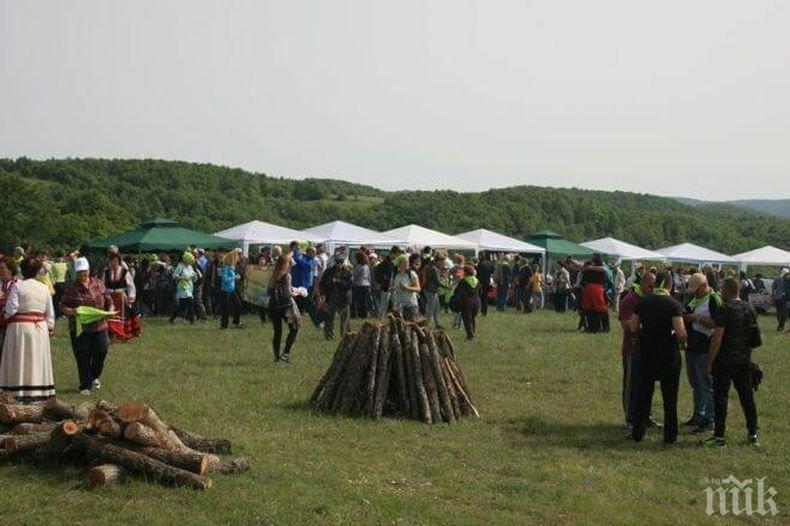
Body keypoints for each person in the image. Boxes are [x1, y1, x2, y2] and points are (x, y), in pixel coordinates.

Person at [629, 271, 687, 444]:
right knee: (670, 398)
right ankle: (670, 436)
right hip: (668, 356)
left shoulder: (643, 302)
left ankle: (638, 432)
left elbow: (633, 326)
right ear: (670, 285)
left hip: (646, 354)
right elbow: (681, 333)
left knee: (643, 395)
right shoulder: (674, 304)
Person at [705, 278, 761, 447]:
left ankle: (719, 436)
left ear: (727, 290)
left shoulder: (724, 309)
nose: (720, 292)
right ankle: (753, 433)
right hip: (743, 359)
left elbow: (718, 337)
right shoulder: (749, 307)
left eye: (722, 289)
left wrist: (710, 361)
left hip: (724, 360)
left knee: (720, 398)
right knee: (747, 397)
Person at [0, 260, 56, 401]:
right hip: (39, 329)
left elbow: (11, 310)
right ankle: (38, 391)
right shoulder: (44, 288)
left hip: (20, 328)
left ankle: (17, 391)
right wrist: (49, 328)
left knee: (20, 360)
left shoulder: (18, 286)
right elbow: (50, 314)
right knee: (36, 360)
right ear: (37, 271)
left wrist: (4, 316)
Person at [60, 257, 113, 395]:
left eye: (84, 271)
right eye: (79, 272)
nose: (82, 275)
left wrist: (110, 310)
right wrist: (71, 312)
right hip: (79, 327)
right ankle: (85, 385)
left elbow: (108, 299)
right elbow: (62, 305)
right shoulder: (71, 287)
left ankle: (93, 376)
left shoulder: (99, 283)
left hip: (99, 325)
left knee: (101, 351)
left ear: (89, 270)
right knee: (82, 356)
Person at [682, 273, 721, 433]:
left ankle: (709, 419)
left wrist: (697, 319)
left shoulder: (714, 299)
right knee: (696, 384)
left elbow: (718, 324)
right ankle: (697, 416)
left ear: (704, 286)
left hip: (705, 348)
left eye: (696, 290)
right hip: (692, 346)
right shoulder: (694, 298)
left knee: (706, 385)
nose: (693, 293)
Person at [619, 273, 655, 427]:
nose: (653, 289)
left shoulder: (651, 300)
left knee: (647, 385)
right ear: (643, 284)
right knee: (631, 385)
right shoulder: (630, 300)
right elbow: (626, 326)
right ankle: (631, 417)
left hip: (649, 349)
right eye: (651, 286)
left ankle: (646, 416)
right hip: (632, 349)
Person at [267, 254, 301, 363]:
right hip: (285, 307)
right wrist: (296, 293)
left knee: (277, 332)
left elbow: (268, 291)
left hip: (273, 306)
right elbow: (287, 293)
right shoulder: (287, 276)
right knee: (294, 328)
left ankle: (276, 356)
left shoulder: (273, 275)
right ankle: (285, 354)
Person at [320, 254, 352, 340]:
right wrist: (322, 294)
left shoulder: (347, 271)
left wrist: (338, 281)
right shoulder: (329, 271)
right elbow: (322, 283)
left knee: (345, 320)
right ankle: (328, 336)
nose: (339, 264)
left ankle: (345, 336)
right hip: (331, 297)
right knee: (329, 317)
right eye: (337, 262)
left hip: (344, 299)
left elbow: (349, 285)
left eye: (340, 262)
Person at [451, 265, 481, 340]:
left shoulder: (463, 281)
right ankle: (473, 333)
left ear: (466, 272)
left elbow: (457, 292)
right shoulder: (477, 280)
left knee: (467, 319)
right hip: (477, 301)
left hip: (467, 302)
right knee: (473, 318)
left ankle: (470, 336)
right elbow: (480, 291)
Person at [170, 252, 197, 324]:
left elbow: (193, 276)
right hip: (182, 289)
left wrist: (195, 277)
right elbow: (174, 276)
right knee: (189, 304)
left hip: (189, 288)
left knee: (182, 306)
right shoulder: (180, 266)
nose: (190, 263)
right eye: (190, 261)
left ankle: (173, 318)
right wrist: (183, 278)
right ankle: (192, 320)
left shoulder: (190, 267)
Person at [391, 254, 421, 321]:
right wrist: (392, 289)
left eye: (407, 262)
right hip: (398, 304)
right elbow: (391, 287)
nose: (407, 264)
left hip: (411, 304)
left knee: (412, 325)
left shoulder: (412, 274)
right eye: (404, 262)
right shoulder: (394, 275)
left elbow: (418, 289)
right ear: (399, 264)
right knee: (400, 326)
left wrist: (407, 288)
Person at [218, 250, 243, 329]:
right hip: (225, 290)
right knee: (226, 308)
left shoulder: (232, 267)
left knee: (238, 304)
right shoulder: (226, 267)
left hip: (232, 289)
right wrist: (234, 277)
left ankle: (236, 321)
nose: (238, 258)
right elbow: (225, 279)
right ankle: (224, 325)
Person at [423, 253, 444, 328]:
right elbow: (437, 281)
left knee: (436, 308)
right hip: (430, 290)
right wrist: (446, 287)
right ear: (437, 261)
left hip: (431, 290)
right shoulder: (433, 269)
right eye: (441, 262)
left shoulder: (432, 267)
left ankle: (438, 324)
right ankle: (425, 325)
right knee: (431, 309)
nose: (442, 264)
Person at [351, 251, 371, 319]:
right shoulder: (366, 266)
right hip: (366, 284)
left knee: (357, 301)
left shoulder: (359, 267)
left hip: (359, 285)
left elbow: (353, 275)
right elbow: (369, 276)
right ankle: (364, 314)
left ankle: (357, 314)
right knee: (364, 301)